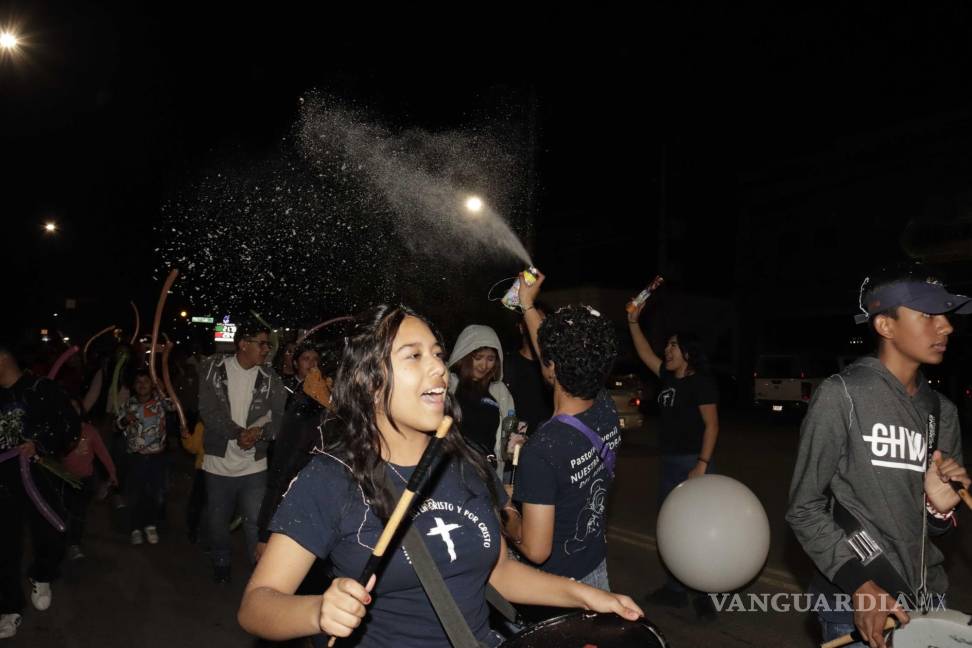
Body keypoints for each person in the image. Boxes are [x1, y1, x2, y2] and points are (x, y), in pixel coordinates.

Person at [237, 305, 643, 647]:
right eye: (413, 356)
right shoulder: (331, 479)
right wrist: (317, 610)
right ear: (371, 383)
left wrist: (587, 596)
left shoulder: (465, 462)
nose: (436, 366)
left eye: (436, 353)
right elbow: (256, 606)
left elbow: (499, 572)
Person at [786, 267, 971, 648]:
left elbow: (933, 528)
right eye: (929, 316)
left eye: (947, 317)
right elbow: (804, 507)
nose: (946, 328)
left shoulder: (943, 412)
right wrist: (860, 584)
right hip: (855, 596)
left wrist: (938, 511)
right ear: (886, 326)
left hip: (925, 598)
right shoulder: (842, 395)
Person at [503, 273, 622, 590]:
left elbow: (536, 549)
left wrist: (504, 511)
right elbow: (565, 354)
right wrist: (527, 305)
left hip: (557, 587)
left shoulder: (542, 450)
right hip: (596, 569)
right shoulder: (605, 408)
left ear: (551, 365)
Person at [627, 299, 720, 616]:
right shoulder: (668, 379)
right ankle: (676, 589)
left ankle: (705, 593)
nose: (667, 351)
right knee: (672, 528)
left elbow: (712, 425)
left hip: (692, 463)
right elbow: (643, 353)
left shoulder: (700, 383)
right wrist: (633, 322)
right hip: (669, 463)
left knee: (699, 529)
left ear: (688, 353)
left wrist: (702, 465)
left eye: (673, 346)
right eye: (667, 345)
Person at [0, 344, 80, 639]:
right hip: (3, 483)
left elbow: (69, 425)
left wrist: (40, 442)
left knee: (53, 530)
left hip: (39, 473)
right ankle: (9, 608)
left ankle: (42, 573)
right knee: (4, 545)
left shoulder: (40, 389)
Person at [198, 318, 286, 583]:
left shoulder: (270, 379)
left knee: (254, 523)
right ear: (243, 344)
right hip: (218, 463)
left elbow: (280, 418)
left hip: (254, 465)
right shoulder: (213, 369)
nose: (266, 350)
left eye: (268, 345)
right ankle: (221, 562)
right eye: (261, 344)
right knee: (218, 521)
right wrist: (238, 434)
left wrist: (259, 433)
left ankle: (258, 573)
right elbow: (208, 411)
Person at [254, 342, 330, 564]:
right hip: (288, 468)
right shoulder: (288, 393)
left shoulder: (327, 398)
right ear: (295, 363)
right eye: (307, 359)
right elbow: (285, 461)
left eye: (316, 360)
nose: (312, 364)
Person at [447, 325, 519, 476]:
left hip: (487, 473)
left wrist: (515, 444)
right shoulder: (448, 384)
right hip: (451, 470)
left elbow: (506, 444)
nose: (484, 365)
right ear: (465, 354)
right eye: (478, 357)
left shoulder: (500, 393)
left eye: (490, 359)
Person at [116, 370, 170, 546]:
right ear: (133, 385)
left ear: (152, 384)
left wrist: (163, 387)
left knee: (155, 492)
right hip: (136, 457)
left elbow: (173, 406)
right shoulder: (129, 404)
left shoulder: (160, 403)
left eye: (146, 381)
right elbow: (117, 424)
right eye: (138, 382)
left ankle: (150, 525)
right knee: (135, 493)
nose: (142, 385)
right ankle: (135, 528)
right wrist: (125, 420)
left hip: (157, 456)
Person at [63, 397, 118, 560]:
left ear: (81, 410)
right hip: (63, 479)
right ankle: (62, 537)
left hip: (84, 480)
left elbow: (103, 453)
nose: (73, 410)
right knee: (65, 510)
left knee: (79, 512)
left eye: (76, 406)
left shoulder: (90, 431)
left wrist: (112, 472)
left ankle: (74, 543)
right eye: (69, 407)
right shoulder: (59, 430)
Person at [503, 306, 553, 436]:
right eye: (529, 321)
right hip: (517, 447)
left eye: (541, 322)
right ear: (520, 327)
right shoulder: (506, 365)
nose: (536, 327)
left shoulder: (554, 367)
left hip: (550, 442)